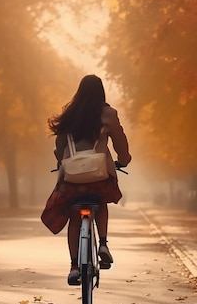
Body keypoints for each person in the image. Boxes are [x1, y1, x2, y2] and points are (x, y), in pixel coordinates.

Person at [41, 74, 131, 285]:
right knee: (101, 201)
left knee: (74, 215)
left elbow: (60, 146)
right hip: (99, 176)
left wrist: (61, 161)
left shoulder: (70, 114)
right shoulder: (108, 114)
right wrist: (124, 160)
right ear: (101, 92)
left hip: (72, 180)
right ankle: (104, 244)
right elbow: (120, 140)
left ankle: (74, 266)